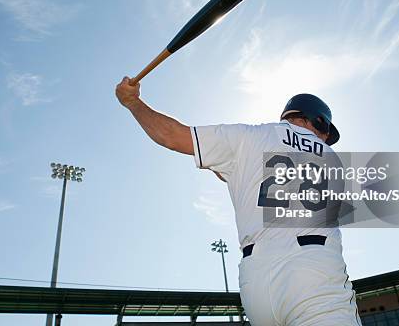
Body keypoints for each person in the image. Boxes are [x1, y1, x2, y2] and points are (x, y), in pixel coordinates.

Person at [115, 76, 360, 326]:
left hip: (255, 282)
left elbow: (171, 136)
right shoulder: (334, 158)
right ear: (317, 120)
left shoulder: (249, 137)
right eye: (326, 130)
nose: (326, 137)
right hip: (313, 274)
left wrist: (132, 102)